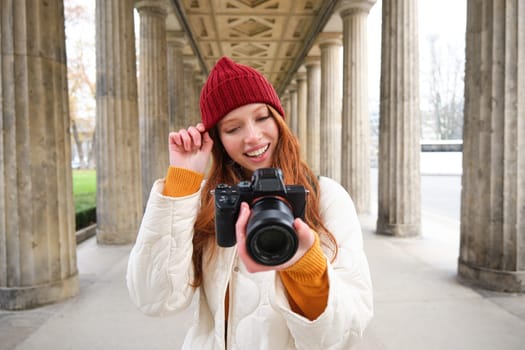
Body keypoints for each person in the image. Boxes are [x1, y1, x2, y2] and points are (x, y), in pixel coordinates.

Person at [126, 56, 373, 349]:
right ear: (218, 140)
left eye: (261, 117)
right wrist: (182, 182)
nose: (253, 137)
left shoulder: (326, 197)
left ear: (278, 118)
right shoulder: (209, 200)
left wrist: (305, 267)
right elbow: (156, 299)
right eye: (233, 129)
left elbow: (346, 332)